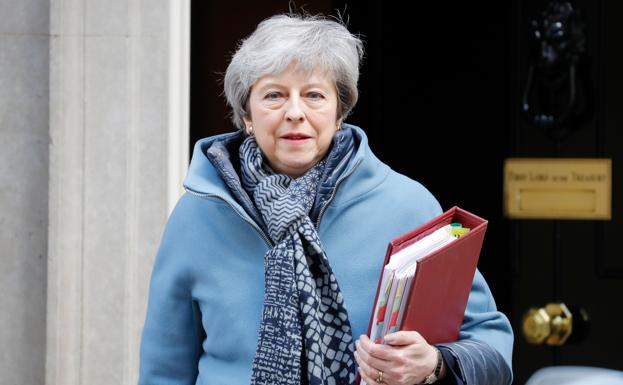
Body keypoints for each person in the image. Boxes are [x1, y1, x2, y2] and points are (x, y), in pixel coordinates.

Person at [138, 12, 513, 385]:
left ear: (339, 113)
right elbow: (164, 370)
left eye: (314, 95)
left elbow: (490, 344)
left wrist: (435, 364)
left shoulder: (408, 206)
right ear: (247, 114)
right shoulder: (199, 215)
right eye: (274, 95)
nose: (295, 113)